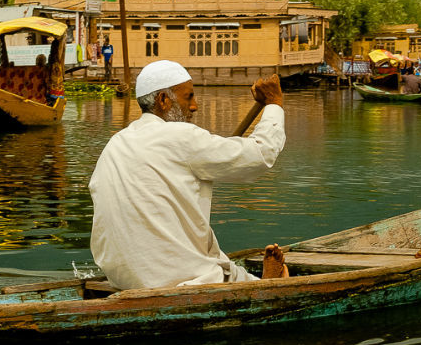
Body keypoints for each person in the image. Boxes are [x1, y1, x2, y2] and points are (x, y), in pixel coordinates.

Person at [89, 60, 288, 290]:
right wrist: (274, 104)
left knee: (196, 240)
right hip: (172, 278)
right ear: (163, 100)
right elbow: (261, 154)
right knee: (218, 271)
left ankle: (246, 279)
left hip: (121, 279)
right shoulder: (181, 137)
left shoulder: (115, 143)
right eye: (189, 97)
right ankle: (264, 285)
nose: (195, 106)